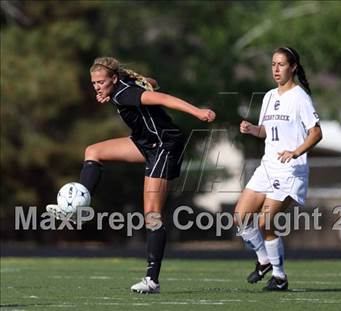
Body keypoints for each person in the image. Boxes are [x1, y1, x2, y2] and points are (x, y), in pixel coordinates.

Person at [48, 56, 216, 294]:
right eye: (94, 82)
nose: (97, 86)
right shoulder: (122, 84)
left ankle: (152, 280)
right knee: (93, 151)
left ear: (113, 79)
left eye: (100, 82)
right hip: (145, 143)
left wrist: (197, 112)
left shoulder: (124, 94)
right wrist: (143, 81)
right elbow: (152, 83)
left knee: (152, 215)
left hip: (163, 146)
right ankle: (79, 207)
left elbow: (163, 98)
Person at [235, 47, 322, 291]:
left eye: (281, 64)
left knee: (264, 223)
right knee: (240, 217)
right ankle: (263, 260)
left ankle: (280, 277)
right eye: (273, 64)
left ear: (293, 67)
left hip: (290, 170)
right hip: (268, 166)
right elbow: (267, 131)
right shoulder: (269, 96)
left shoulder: (300, 97)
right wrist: (253, 129)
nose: (275, 69)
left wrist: (296, 151)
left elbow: (316, 133)